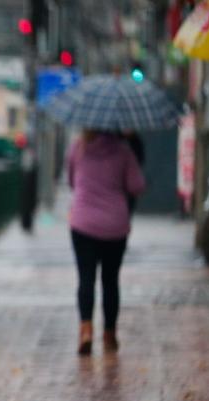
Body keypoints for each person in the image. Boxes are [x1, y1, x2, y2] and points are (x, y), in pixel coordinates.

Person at [67, 130, 145, 355]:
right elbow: (137, 186)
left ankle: (86, 330)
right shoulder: (124, 152)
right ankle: (109, 334)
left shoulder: (78, 147)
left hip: (82, 223)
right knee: (110, 281)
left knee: (86, 278)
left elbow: (72, 181)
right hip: (115, 226)